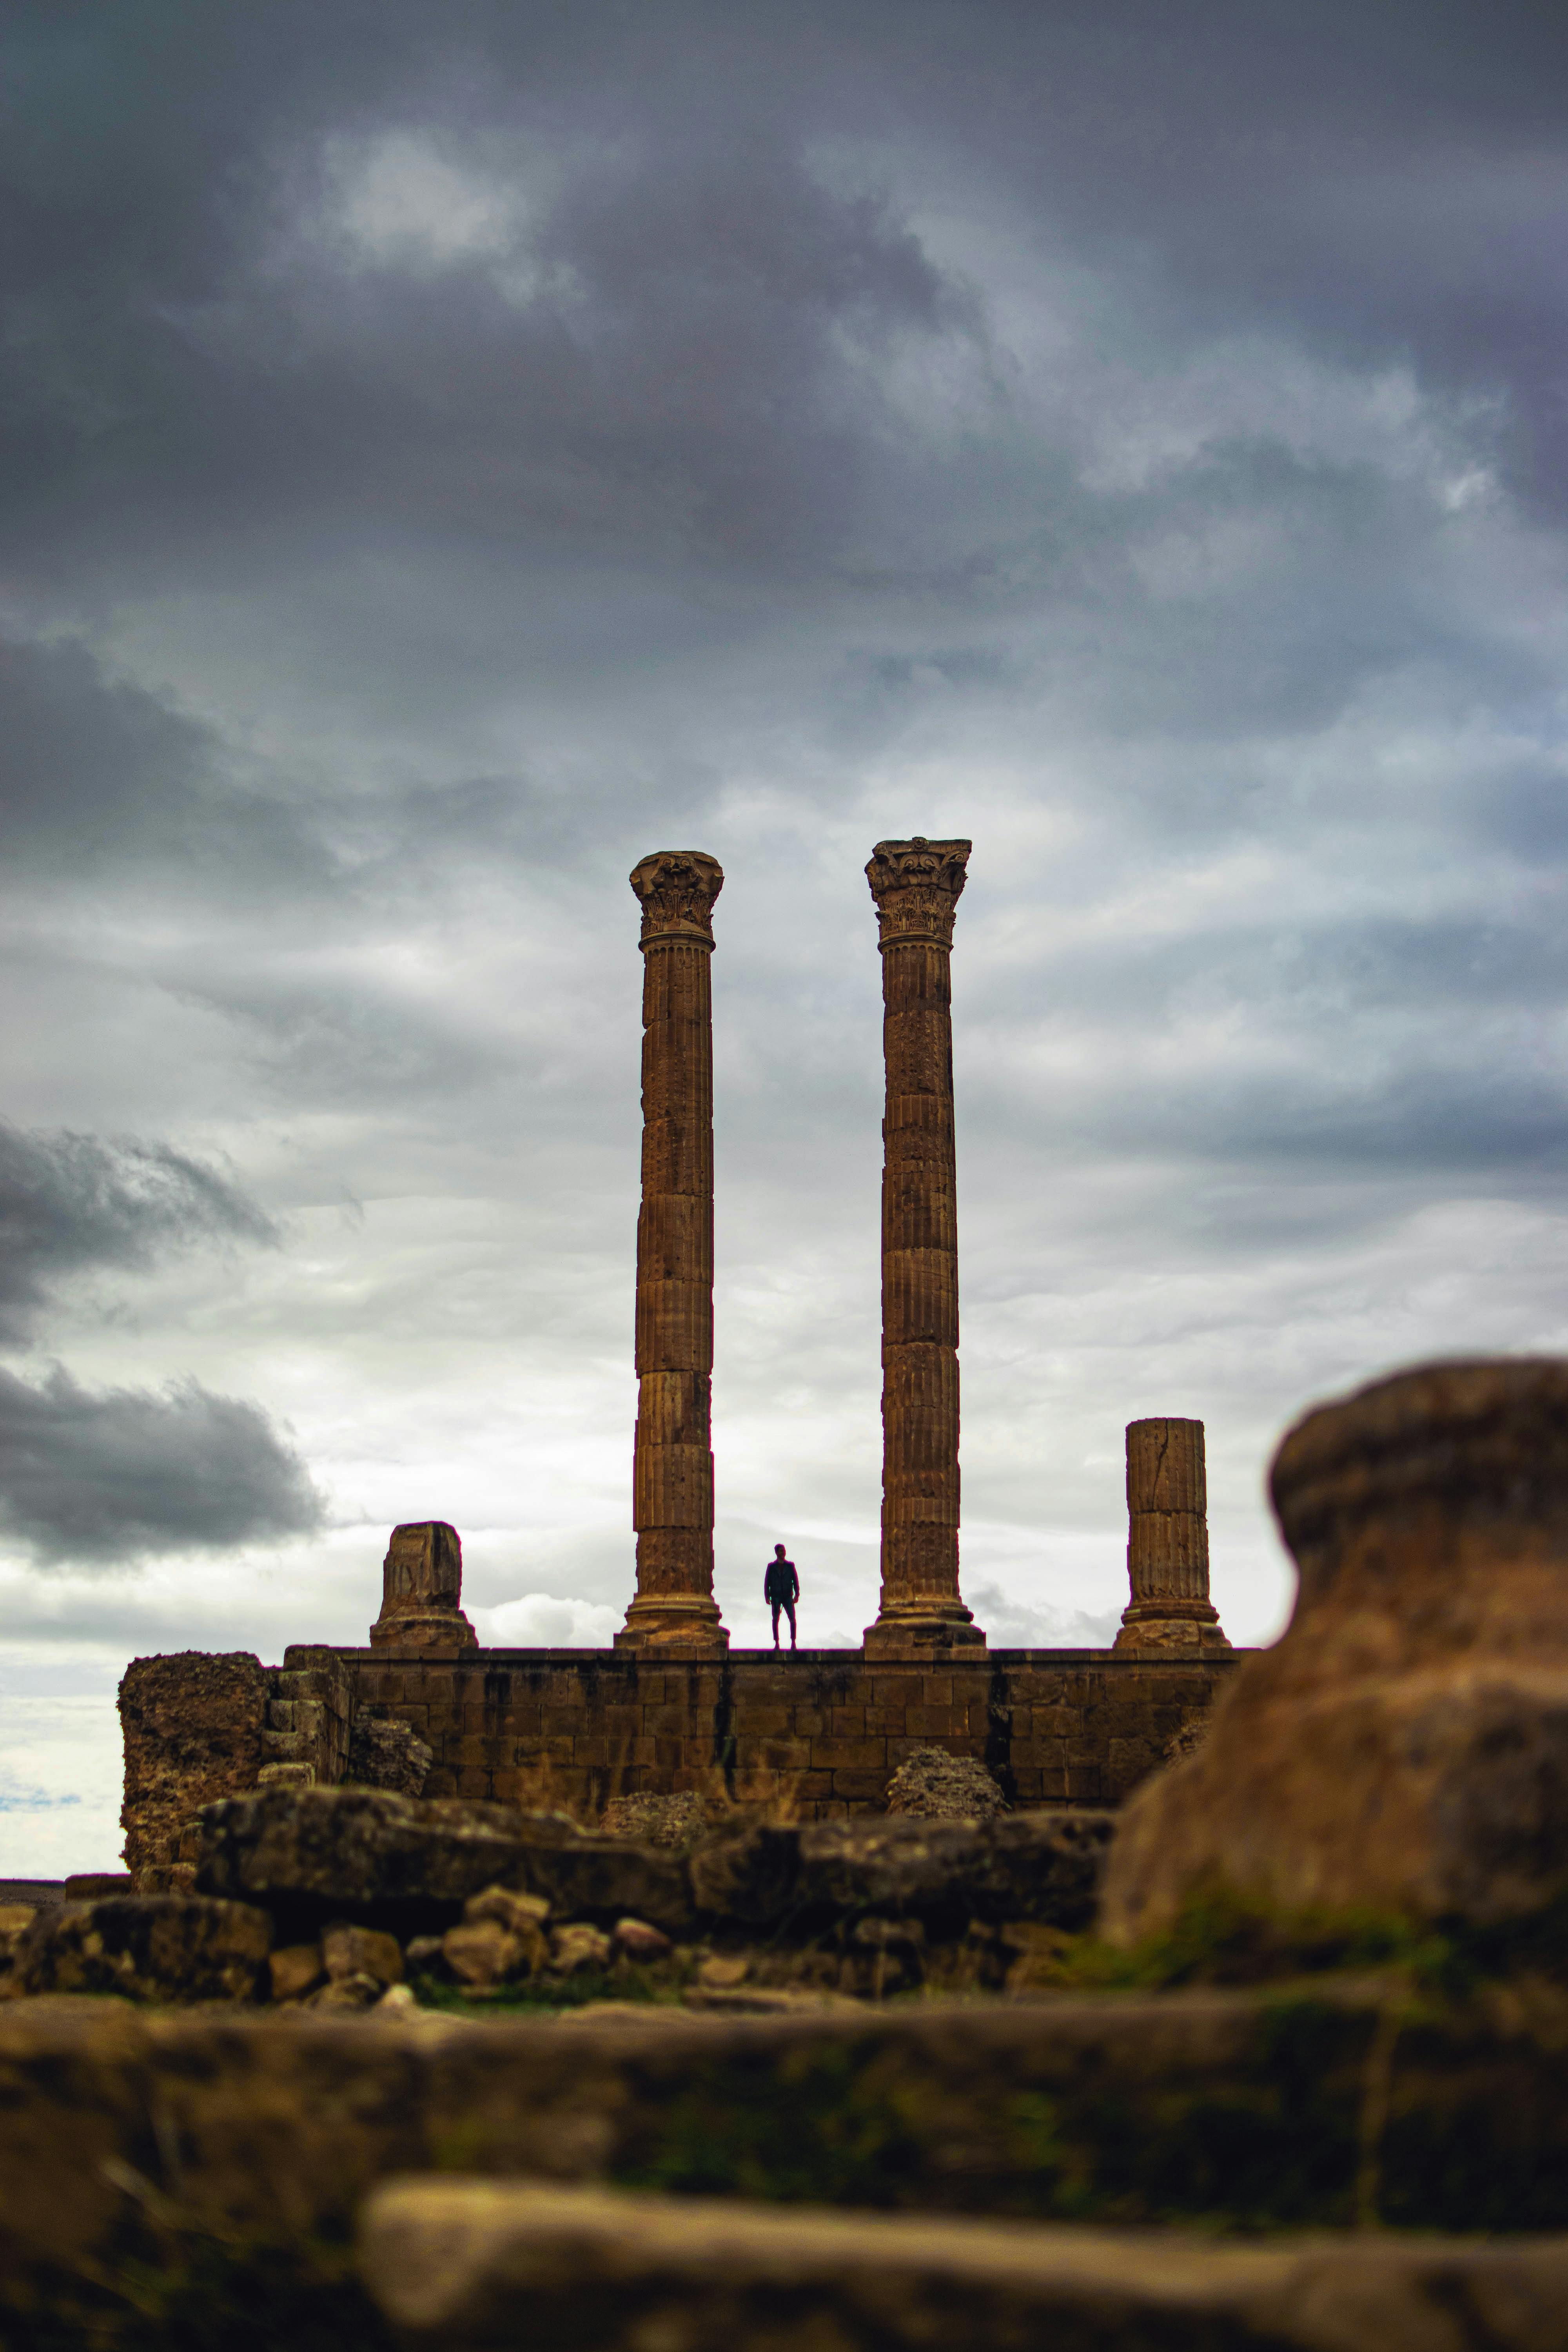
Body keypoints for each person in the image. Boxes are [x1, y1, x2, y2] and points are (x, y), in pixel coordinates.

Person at [764, 1543, 799, 1650]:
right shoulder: (771, 1567)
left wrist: (797, 1594)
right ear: (777, 1553)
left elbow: (795, 1580)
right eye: (781, 1551)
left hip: (788, 1596)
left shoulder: (790, 1566)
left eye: (784, 1551)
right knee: (775, 1620)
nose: (783, 1553)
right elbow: (767, 1582)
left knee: (793, 1619)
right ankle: (777, 1643)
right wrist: (767, 1596)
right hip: (776, 1596)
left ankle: (793, 1643)